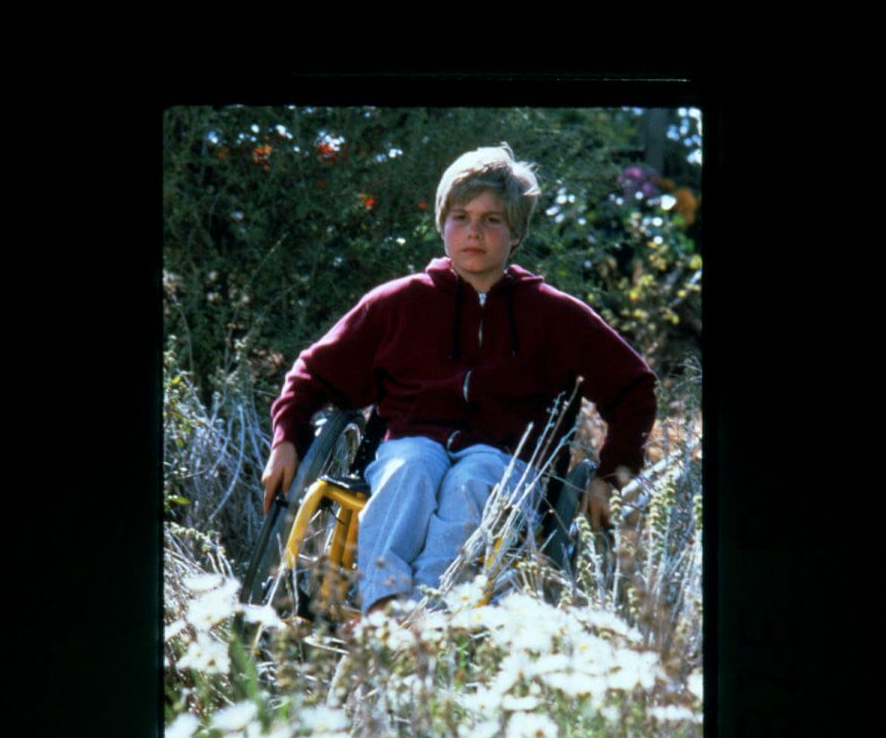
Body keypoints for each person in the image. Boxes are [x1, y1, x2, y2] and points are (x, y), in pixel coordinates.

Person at [262, 143, 656, 615]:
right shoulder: (399, 303)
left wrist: (610, 475)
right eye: (461, 217)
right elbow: (314, 372)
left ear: (516, 232)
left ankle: (426, 620)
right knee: (410, 468)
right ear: (442, 224)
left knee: (472, 478)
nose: (474, 232)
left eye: (492, 219)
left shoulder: (555, 315)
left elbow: (635, 387)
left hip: (507, 461)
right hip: (410, 444)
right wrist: (287, 438)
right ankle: (383, 608)